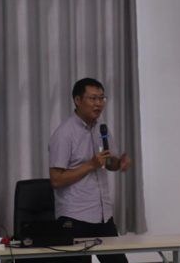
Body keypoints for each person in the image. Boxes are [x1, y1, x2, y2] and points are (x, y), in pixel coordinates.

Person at [49, 78, 132, 263]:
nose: (99, 103)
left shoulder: (101, 127)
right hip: (74, 217)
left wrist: (119, 163)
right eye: (93, 98)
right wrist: (90, 165)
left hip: (103, 215)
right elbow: (56, 180)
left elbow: (107, 162)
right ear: (77, 100)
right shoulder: (64, 134)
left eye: (102, 98)